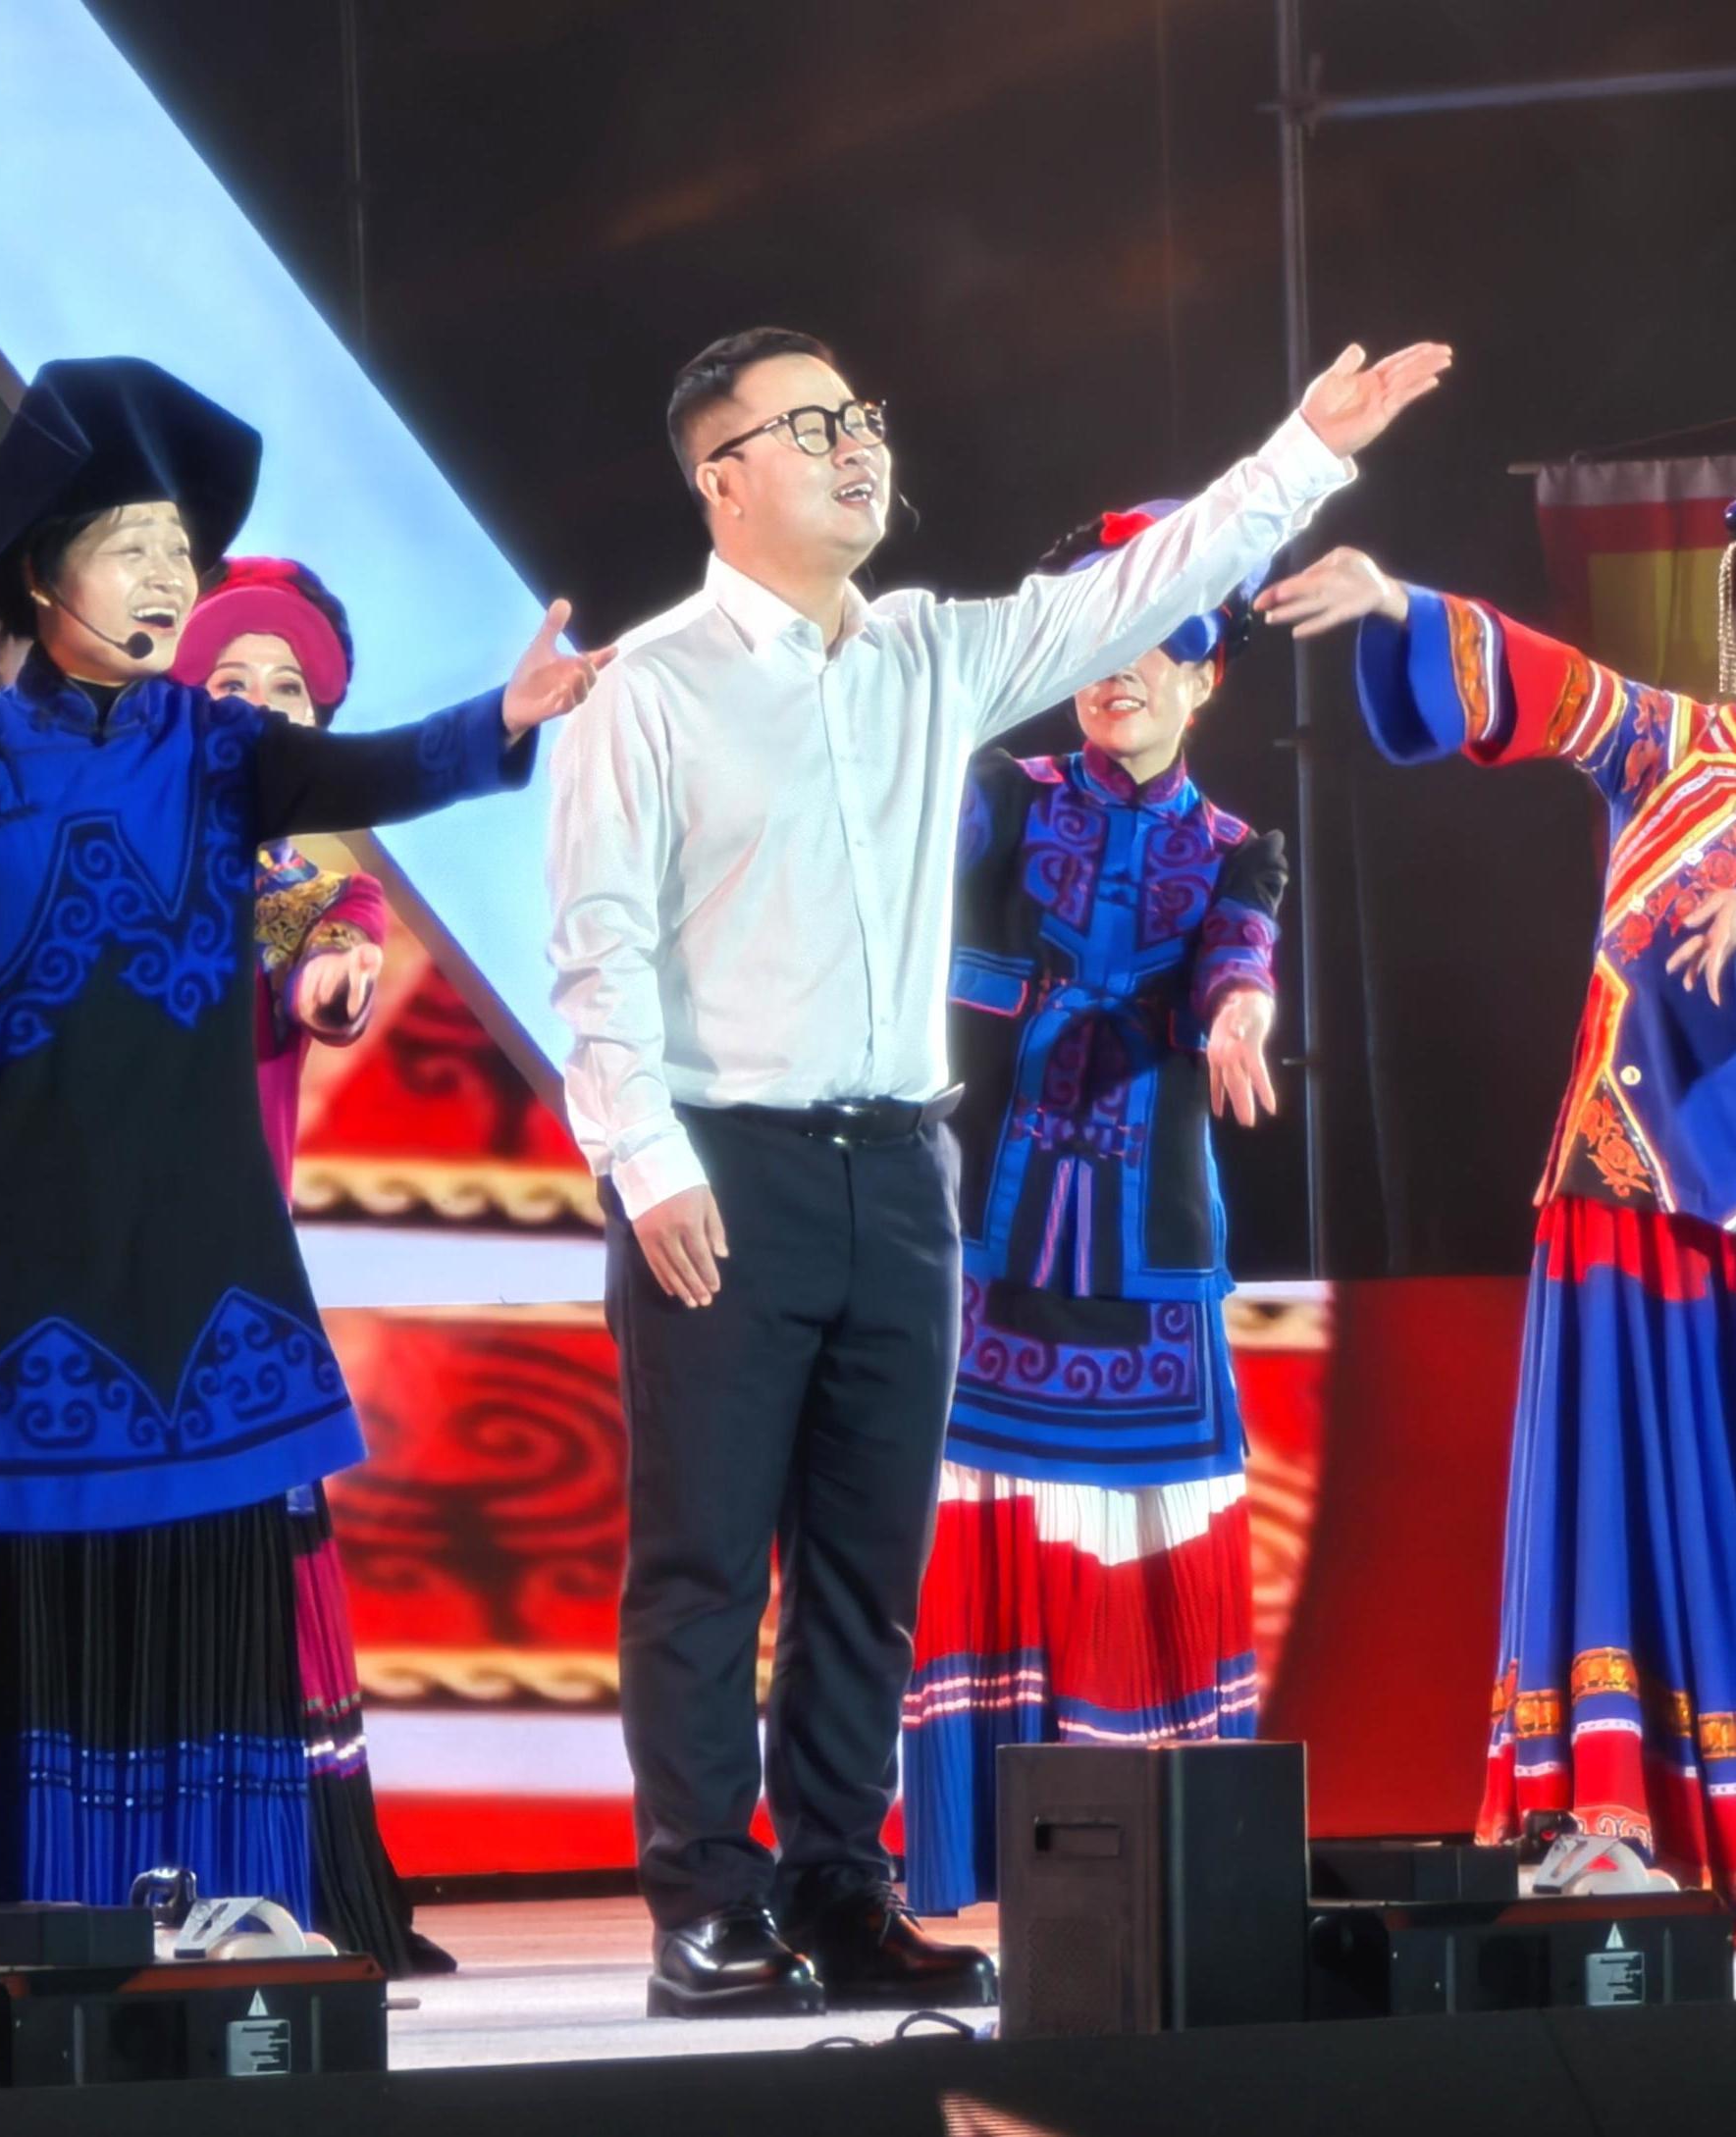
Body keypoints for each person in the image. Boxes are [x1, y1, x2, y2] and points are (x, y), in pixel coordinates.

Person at [546, 327, 1443, 2014]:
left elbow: (1147, 580)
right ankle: (704, 1904)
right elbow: (594, 951)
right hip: (721, 1166)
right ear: (720, 476)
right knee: (702, 1562)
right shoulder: (648, 687)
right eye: (808, 425)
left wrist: (1307, 449)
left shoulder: (932, 652)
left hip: (904, 1173)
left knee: (867, 1562)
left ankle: (840, 1885)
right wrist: (645, 1160)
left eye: (859, 415)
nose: (855, 446)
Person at [0, 355, 609, 1913]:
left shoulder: (220, 749)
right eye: (133, 549)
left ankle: (210, 1923)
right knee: (7, 1602)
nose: (170, 579)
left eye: (181, 551)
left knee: (198, 1594)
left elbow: (371, 767)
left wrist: (498, 722)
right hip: (5, 1254)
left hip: (194, 1256)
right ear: (44, 573)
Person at [1257, 533, 1736, 1890]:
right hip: (1635, 1192)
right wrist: (1402, 604)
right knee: (1614, 1502)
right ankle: (1612, 1814)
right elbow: (1555, 684)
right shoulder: (1679, 746)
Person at [899, 504, 1288, 1915]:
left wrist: (1240, 1012)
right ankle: (953, 1860)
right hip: (980, 1227)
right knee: (959, 1519)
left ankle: (1159, 1875)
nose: (1118, 671)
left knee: (1146, 1523)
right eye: (1098, 644)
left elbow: (1242, 955)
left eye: (1153, 645)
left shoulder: (1239, 847)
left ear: (1206, 676)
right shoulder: (1000, 792)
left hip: (1145, 1245)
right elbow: (906, 845)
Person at [171, 555, 449, 1972]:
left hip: (229, 1290)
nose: (259, 706)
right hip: (81, 1274)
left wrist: (332, 978)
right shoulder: (97, 861)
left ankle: (288, 1885)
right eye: (230, 681)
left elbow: (329, 967)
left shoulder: (309, 895)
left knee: (250, 1585)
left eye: (288, 689)